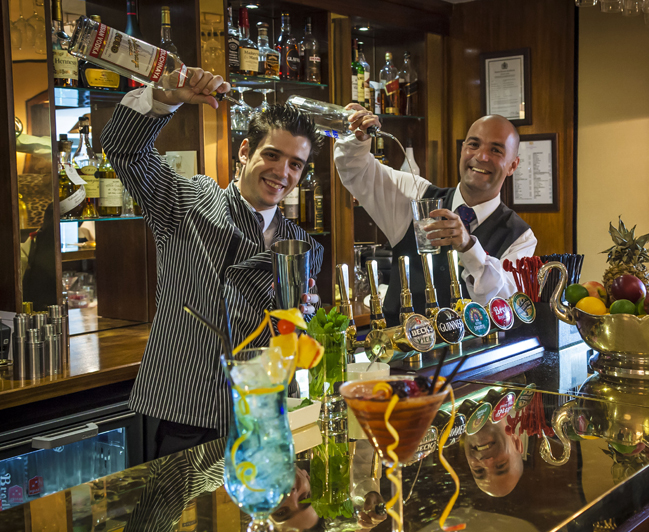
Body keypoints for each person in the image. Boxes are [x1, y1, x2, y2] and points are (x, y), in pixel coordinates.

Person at [100, 68, 324, 460]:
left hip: (264, 419)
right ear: (244, 152)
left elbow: (292, 339)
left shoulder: (304, 246)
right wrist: (165, 96)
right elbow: (124, 150)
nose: (282, 173)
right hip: (186, 414)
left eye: (295, 165)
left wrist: (304, 317)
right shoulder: (186, 203)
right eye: (272, 155)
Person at [334, 106, 537, 327]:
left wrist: (469, 247)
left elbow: (504, 307)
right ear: (462, 149)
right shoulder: (416, 194)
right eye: (474, 145)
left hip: (471, 359)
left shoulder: (520, 236)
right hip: (400, 354)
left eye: (496, 150)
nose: (481, 156)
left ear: (513, 165)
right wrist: (357, 139)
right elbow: (357, 171)